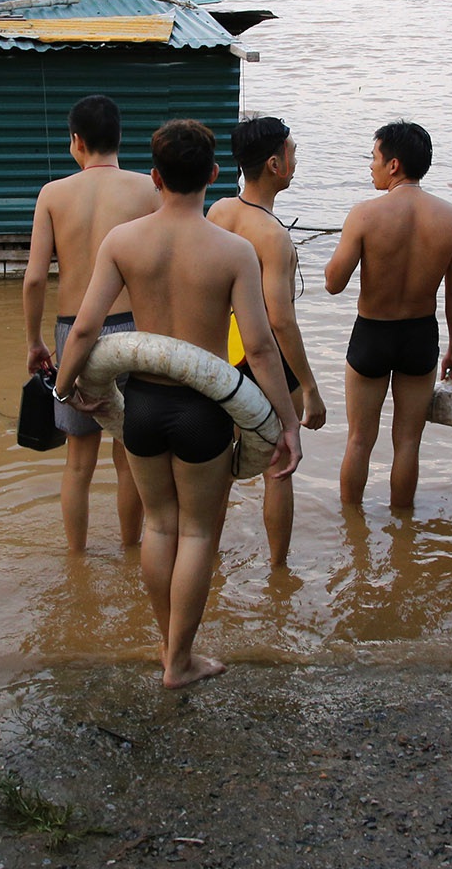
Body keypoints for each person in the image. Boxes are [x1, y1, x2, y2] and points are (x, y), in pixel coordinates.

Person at [56, 120, 302, 688]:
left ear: (155, 177)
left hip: (140, 406)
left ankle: (168, 647)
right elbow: (262, 347)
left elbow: (88, 327)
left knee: (160, 528)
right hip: (204, 412)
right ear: (213, 175)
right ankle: (180, 661)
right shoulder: (234, 250)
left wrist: (68, 387)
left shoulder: (123, 241)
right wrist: (286, 422)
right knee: (196, 534)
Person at [23, 94, 160, 554]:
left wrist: (35, 341)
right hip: (133, 330)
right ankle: (130, 551)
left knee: (78, 463)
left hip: (72, 330)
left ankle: (76, 561)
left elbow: (36, 277)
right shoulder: (148, 190)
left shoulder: (53, 194)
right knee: (130, 458)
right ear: (120, 138)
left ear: (76, 142)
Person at [324, 121, 452, 515]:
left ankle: (350, 526)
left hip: (372, 333)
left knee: (359, 440)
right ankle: (403, 530)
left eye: (373, 158)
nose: (370, 166)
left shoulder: (365, 215)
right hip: (420, 335)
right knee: (408, 441)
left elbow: (334, 283)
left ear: (393, 165)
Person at [208, 116, 327, 568]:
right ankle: (279, 571)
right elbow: (281, 321)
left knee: (218, 469)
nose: (296, 162)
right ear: (275, 164)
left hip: (222, 356)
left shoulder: (219, 212)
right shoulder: (272, 237)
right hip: (263, 360)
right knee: (280, 465)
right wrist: (310, 387)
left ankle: (209, 561)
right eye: (292, 153)